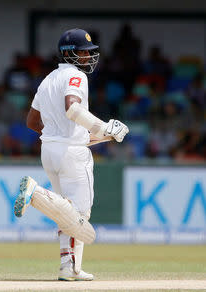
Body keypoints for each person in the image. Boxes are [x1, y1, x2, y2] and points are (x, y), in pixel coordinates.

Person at [13, 28, 129, 281]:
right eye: (84, 52)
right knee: (80, 214)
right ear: (70, 53)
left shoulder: (47, 80)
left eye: (90, 52)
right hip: (71, 155)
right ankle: (36, 192)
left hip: (50, 151)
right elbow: (72, 108)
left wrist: (108, 134)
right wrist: (102, 127)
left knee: (66, 212)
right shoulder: (76, 76)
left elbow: (32, 122)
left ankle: (69, 266)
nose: (88, 57)